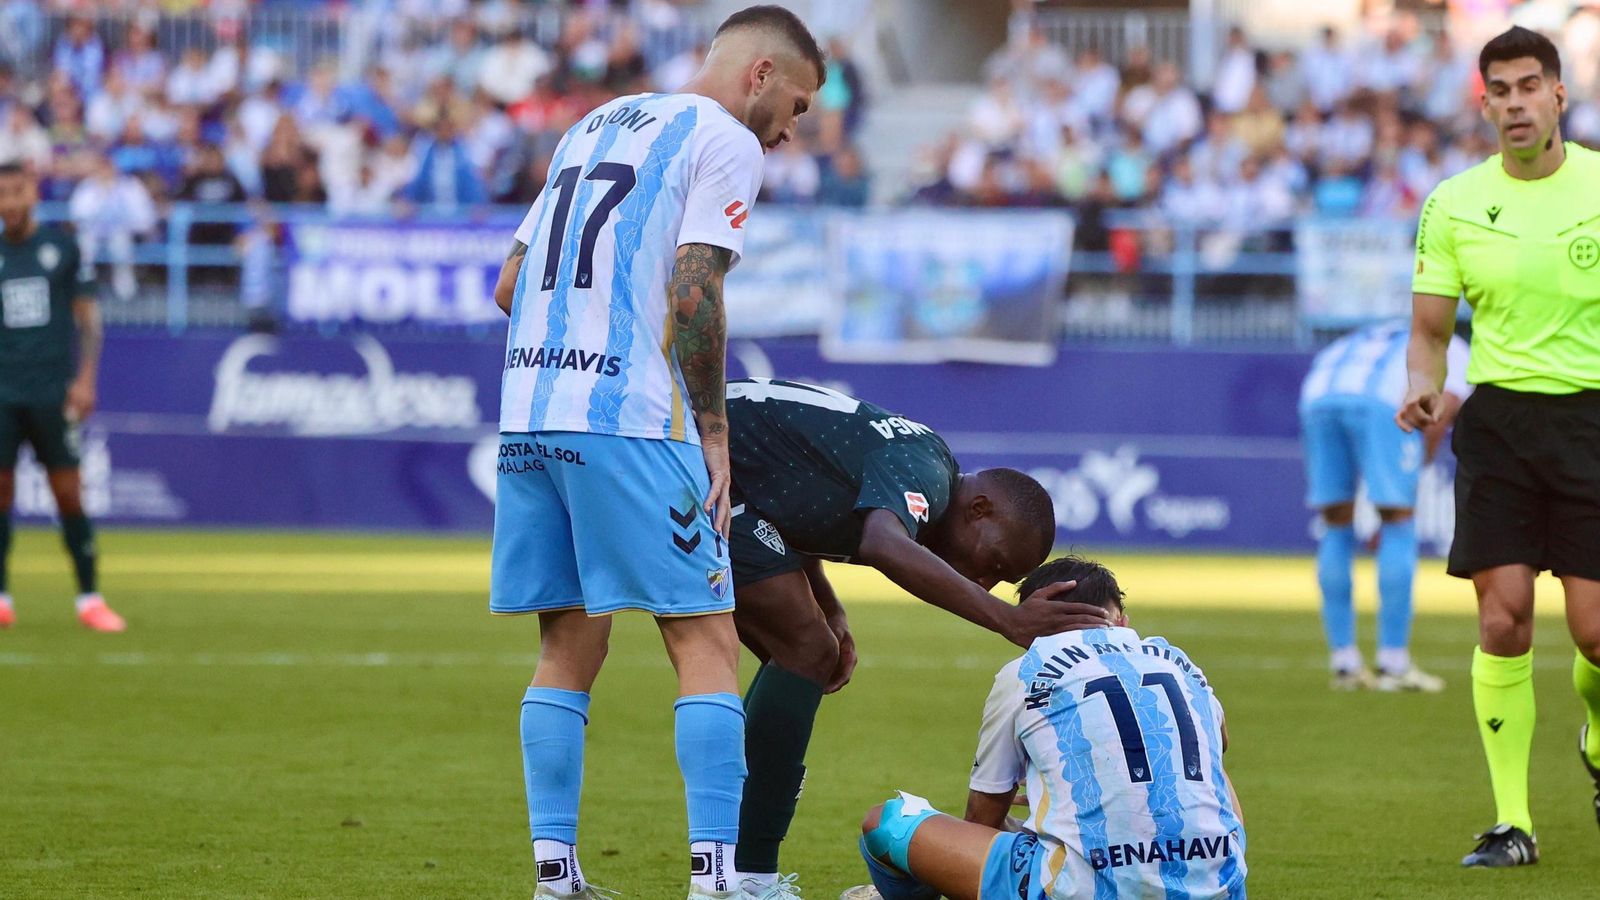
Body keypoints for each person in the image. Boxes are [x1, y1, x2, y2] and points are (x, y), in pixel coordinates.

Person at [487, 8, 823, 899]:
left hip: (529, 412)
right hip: (629, 419)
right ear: (758, 75)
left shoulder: (592, 125)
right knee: (705, 640)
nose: (791, 131)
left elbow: (510, 283)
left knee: (566, 643)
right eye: (793, 105)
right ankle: (715, 881)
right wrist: (712, 429)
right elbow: (693, 288)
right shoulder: (723, 138)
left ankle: (554, 877)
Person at [724, 378, 1116, 896]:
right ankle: (746, 877)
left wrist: (829, 605)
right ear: (979, 509)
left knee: (808, 648)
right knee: (805, 649)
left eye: (999, 581)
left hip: (719, 466)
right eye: (994, 563)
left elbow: (790, 503)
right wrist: (1008, 618)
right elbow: (883, 542)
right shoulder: (929, 472)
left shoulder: (921, 457)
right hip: (689, 456)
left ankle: (731, 865)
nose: (984, 582)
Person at [1398, 26, 1600, 868]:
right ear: (1484, 104)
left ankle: (1595, 731)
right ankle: (1511, 823)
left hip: (1593, 420)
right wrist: (1422, 383)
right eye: (1500, 91)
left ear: (1559, 94)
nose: (1516, 103)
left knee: (1596, 637)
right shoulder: (1452, 203)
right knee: (1503, 619)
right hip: (1500, 425)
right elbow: (1430, 330)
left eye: (1530, 86)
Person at [842, 556, 1247, 900]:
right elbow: (1219, 744)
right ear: (1121, 619)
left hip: (1079, 888)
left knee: (884, 823)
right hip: (1217, 887)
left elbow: (981, 820)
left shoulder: (1024, 672)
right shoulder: (1174, 659)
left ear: (1035, 618)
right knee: (1210, 766)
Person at [1301, 319, 1471, 691]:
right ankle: (1393, 663)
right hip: (1380, 401)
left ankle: (1344, 662)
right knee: (1398, 521)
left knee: (1336, 523)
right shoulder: (1455, 347)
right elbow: (1437, 415)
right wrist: (1406, 486)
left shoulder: (1372, 331)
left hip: (1318, 394)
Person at [0, 162, 121, 632]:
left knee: (69, 494)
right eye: (1, 195)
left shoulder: (61, 248)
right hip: (4, 392)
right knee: (1, 492)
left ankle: (90, 598)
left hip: (53, 390)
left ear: (32, 193)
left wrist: (86, 379)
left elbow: (89, 321)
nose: (8, 203)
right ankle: (3, 598)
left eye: (15, 192)